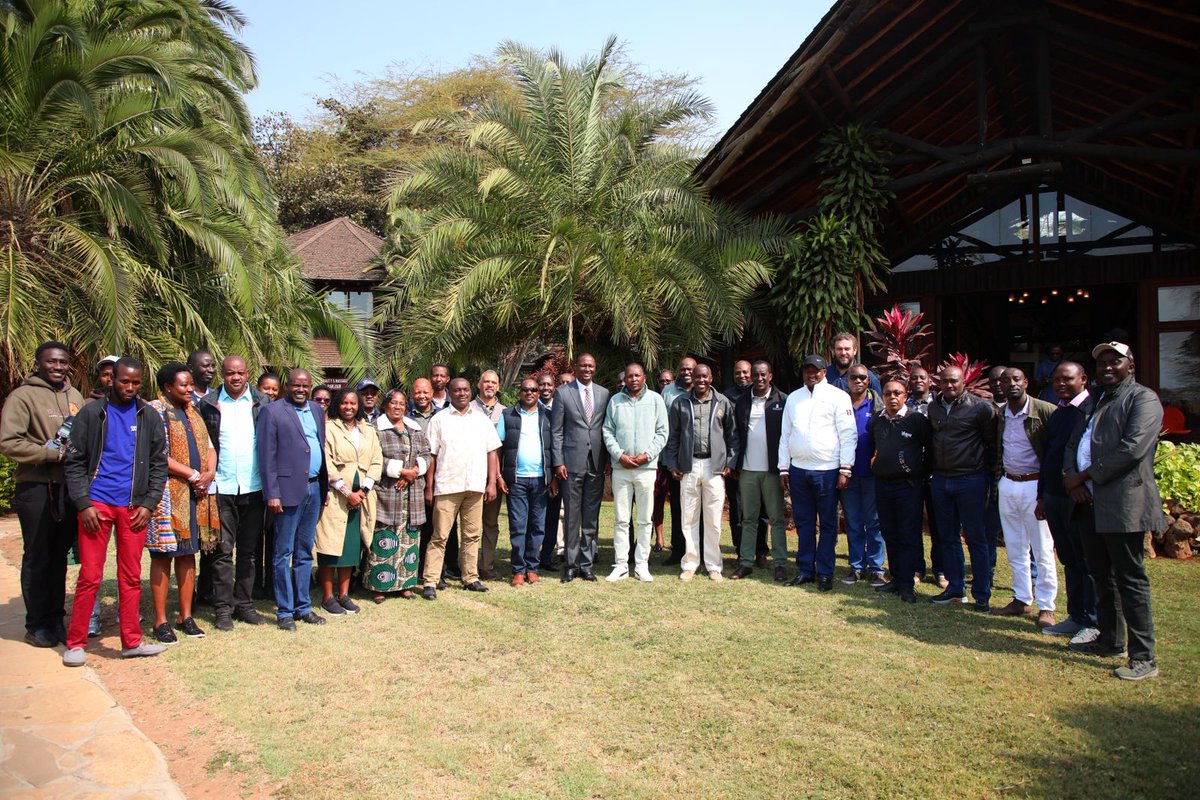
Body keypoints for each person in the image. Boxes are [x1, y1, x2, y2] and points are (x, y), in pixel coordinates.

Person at [1065, 341, 1164, 681]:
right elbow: (1074, 444)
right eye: (1102, 362)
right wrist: (1073, 482)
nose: (1107, 367)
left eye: (1114, 361)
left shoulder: (1143, 399)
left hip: (1123, 504)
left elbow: (1132, 448)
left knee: (1130, 580)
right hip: (1088, 504)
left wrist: (1086, 475)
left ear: (1130, 365)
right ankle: (1110, 640)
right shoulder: (1096, 401)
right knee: (1101, 576)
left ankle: (1143, 657)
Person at [61, 357, 168, 666]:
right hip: (98, 504)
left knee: (130, 576)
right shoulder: (92, 413)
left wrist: (149, 503)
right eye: (124, 381)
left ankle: (131, 642)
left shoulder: (148, 414)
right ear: (112, 380)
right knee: (91, 576)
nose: (130, 387)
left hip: (134, 507)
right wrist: (83, 504)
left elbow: (158, 464)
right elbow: (75, 462)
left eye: (136, 383)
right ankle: (76, 643)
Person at [1, 341, 85, 648]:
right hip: (36, 488)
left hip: (68, 489)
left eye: (63, 362)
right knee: (38, 555)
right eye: (52, 362)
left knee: (60, 556)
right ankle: (35, 624)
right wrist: (49, 455)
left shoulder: (74, 395)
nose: (58, 367)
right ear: (39, 363)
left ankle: (55, 619)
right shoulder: (22, 397)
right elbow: (9, 443)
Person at [196, 356, 270, 631]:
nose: (235, 378)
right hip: (223, 488)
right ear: (223, 375)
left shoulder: (263, 402)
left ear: (247, 373)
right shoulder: (209, 404)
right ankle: (223, 609)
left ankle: (244, 605)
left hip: (253, 486)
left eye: (240, 373)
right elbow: (204, 443)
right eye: (230, 373)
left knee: (249, 552)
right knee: (222, 551)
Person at [146, 364, 217, 643]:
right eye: (183, 385)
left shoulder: (192, 411)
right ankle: (161, 620)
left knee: (188, 554)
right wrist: (192, 474)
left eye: (190, 384)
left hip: (195, 495)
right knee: (163, 555)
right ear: (167, 387)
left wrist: (209, 473)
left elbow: (210, 447)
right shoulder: (155, 411)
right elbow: (157, 453)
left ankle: (185, 616)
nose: (190, 389)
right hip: (166, 495)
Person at [256, 368, 328, 631]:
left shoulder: (317, 410)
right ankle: (285, 611)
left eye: (305, 385)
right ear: (287, 386)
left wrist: (325, 487)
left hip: (314, 489)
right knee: (282, 552)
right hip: (286, 492)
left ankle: (303, 606)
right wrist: (272, 493)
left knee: (305, 551)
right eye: (296, 385)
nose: (301, 389)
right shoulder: (272, 412)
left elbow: (317, 446)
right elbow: (266, 456)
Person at [778, 355, 857, 592]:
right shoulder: (794, 398)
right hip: (799, 470)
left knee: (828, 524)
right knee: (803, 522)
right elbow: (785, 435)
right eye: (807, 370)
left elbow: (848, 434)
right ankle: (805, 570)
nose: (811, 374)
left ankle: (825, 572)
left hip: (828, 470)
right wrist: (784, 466)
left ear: (824, 372)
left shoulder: (838, 396)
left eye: (816, 370)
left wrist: (845, 468)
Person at [422, 377, 501, 599]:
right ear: (450, 392)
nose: (462, 393)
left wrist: (492, 482)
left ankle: (470, 578)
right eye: (457, 390)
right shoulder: (439, 420)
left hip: (475, 485)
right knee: (440, 536)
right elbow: (432, 456)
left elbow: (492, 452)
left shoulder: (481, 420)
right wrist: (429, 487)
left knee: (472, 534)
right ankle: (431, 580)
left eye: (465, 389)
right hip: (447, 486)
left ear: (470, 391)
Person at [992, 367, 1059, 626]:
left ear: (1026, 382)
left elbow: (1055, 451)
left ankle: (1047, 606)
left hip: (1035, 485)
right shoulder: (1000, 414)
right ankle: (1021, 599)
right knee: (1015, 547)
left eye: (1016, 379)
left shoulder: (1045, 411)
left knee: (1042, 548)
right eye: (1005, 380)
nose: (1011, 384)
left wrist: (1047, 491)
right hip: (1009, 483)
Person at [1036, 362, 1098, 641]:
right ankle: (1075, 616)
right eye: (1056, 379)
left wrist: (1081, 483)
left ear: (1083, 379)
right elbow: (1048, 456)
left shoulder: (1091, 411)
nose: (1060, 384)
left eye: (1067, 379)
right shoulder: (1059, 413)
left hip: (1078, 497)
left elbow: (1090, 454)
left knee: (1088, 562)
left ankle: (1093, 621)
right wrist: (1042, 495)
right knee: (1070, 559)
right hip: (1054, 496)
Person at [927, 365, 996, 610]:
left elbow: (992, 444)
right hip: (942, 479)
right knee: (947, 537)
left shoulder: (980, 408)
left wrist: (988, 477)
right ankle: (956, 588)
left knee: (976, 538)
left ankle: (982, 594)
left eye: (954, 381)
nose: (949, 386)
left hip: (971, 479)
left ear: (964, 381)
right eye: (944, 381)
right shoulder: (933, 407)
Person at [663, 363, 737, 582]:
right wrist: (672, 463)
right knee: (689, 518)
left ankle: (714, 565)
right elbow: (673, 436)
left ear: (711, 378)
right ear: (692, 378)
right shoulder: (680, 403)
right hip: (690, 466)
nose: (701, 380)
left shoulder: (722, 402)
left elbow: (733, 436)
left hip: (714, 467)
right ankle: (690, 563)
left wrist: (730, 462)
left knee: (714, 519)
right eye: (697, 376)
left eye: (705, 376)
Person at [316, 387, 382, 616]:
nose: (349, 407)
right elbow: (327, 463)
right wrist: (347, 492)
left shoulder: (368, 430)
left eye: (353, 403)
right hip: (336, 496)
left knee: (350, 548)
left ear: (359, 405)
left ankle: (344, 595)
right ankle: (327, 596)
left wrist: (363, 491)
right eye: (344, 403)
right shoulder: (329, 428)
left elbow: (376, 461)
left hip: (360, 497)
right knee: (330, 547)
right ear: (338, 404)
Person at [603, 363, 668, 582]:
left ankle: (641, 564)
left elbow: (662, 432)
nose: (633, 379)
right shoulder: (615, 401)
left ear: (644, 377)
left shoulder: (656, 400)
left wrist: (646, 455)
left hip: (645, 469)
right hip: (621, 468)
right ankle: (621, 564)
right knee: (621, 519)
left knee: (644, 519)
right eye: (629, 376)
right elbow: (607, 431)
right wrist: (619, 455)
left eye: (637, 375)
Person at [868, 380, 932, 603]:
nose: (892, 397)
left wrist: (918, 473)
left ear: (905, 396)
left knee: (908, 534)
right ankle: (895, 578)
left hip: (908, 486)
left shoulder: (916, 419)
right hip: (883, 484)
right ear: (882, 396)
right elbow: (871, 445)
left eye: (897, 393)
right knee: (890, 533)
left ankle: (907, 584)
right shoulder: (878, 419)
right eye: (887, 393)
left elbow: (930, 449)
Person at [551, 354, 610, 583]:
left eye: (591, 366)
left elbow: (605, 428)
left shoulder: (604, 394)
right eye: (583, 365)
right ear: (575, 367)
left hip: (595, 463)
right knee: (572, 516)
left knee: (591, 517)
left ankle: (587, 565)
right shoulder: (563, 393)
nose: (587, 368)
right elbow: (556, 431)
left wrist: (605, 459)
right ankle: (571, 564)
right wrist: (558, 462)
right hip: (571, 463)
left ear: (595, 368)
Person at [731, 360, 788, 582]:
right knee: (749, 519)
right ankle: (745, 562)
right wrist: (735, 464)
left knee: (776, 519)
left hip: (772, 470)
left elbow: (787, 436)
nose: (759, 378)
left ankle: (780, 564)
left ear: (771, 376)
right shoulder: (743, 400)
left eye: (763, 374)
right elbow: (736, 434)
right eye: (756, 375)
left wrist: (785, 468)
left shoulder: (782, 400)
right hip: (748, 470)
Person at [369, 389, 429, 601]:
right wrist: (399, 471)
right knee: (384, 537)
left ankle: (405, 583)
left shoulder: (414, 428)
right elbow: (372, 457)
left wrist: (413, 472)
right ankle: (380, 585)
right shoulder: (375, 428)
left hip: (412, 496)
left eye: (402, 403)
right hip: (388, 492)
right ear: (385, 405)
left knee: (409, 540)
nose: (398, 407)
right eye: (393, 403)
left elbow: (426, 454)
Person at [498, 377, 556, 586]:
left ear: (539, 393)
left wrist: (553, 477)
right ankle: (518, 570)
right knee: (518, 526)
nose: (529, 392)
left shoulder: (548, 416)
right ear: (520, 392)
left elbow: (553, 448)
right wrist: (498, 476)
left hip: (541, 480)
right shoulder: (508, 415)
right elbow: (498, 447)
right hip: (517, 480)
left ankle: (532, 569)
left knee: (537, 526)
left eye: (534, 389)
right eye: (525, 389)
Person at [840, 365, 886, 586]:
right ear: (847, 380)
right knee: (854, 522)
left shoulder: (878, 405)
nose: (857, 381)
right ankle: (856, 567)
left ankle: (877, 568)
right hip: (847, 474)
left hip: (872, 475)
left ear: (868, 381)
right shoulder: (840, 404)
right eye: (853, 377)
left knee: (874, 523)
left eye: (862, 377)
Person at [724, 360, 765, 567]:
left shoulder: (763, 395)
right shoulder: (727, 397)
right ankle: (741, 550)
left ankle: (761, 551)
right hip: (737, 463)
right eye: (738, 372)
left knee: (762, 511)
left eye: (746, 372)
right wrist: (731, 462)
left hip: (762, 463)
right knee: (738, 510)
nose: (742, 376)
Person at [907, 365, 945, 587]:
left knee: (938, 524)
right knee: (913, 524)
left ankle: (940, 570)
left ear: (930, 381)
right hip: (911, 473)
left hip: (936, 471)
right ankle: (917, 568)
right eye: (914, 378)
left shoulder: (939, 405)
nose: (918, 381)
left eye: (923, 377)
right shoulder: (905, 405)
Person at [406, 377, 443, 582]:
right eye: (417, 392)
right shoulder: (405, 415)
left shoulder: (442, 415)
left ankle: (437, 569)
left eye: (425, 392)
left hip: (438, 479)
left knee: (437, 526)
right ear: (412, 393)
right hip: (411, 479)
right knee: (414, 525)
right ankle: (414, 567)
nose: (421, 396)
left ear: (432, 394)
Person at [661, 357, 696, 566]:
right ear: (678, 371)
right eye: (683, 368)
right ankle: (678, 550)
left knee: (696, 509)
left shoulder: (704, 389)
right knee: (676, 507)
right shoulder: (668, 392)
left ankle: (697, 550)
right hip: (674, 461)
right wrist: (668, 461)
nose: (687, 372)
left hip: (699, 460)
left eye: (690, 368)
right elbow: (665, 428)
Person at [472, 370, 506, 580]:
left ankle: (486, 566)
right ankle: (467, 566)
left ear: (498, 387)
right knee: (470, 524)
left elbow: (504, 448)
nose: (490, 385)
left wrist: (497, 477)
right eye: (486, 381)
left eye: (494, 382)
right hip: (470, 475)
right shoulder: (466, 408)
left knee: (490, 523)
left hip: (495, 476)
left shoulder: (506, 412)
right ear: (479, 384)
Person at [537, 371, 564, 570]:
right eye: (542, 385)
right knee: (534, 517)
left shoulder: (560, 409)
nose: (545, 388)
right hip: (535, 472)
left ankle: (546, 555)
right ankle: (530, 555)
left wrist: (555, 474)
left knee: (552, 517)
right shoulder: (529, 409)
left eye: (549, 385)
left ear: (554, 387)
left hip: (555, 472)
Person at [652, 368, 676, 552]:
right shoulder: (652, 401)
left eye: (669, 381)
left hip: (674, 460)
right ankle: (659, 539)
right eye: (662, 381)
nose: (665, 384)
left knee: (677, 502)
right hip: (658, 461)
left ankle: (677, 540)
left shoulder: (678, 400)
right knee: (657, 501)